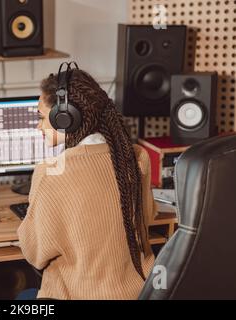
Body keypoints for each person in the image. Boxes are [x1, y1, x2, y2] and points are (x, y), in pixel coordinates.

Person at [17, 63, 156, 300]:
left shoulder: (50, 172)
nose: (38, 125)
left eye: (41, 117)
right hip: (140, 292)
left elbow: (34, 252)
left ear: (64, 117)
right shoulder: (136, 158)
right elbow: (148, 217)